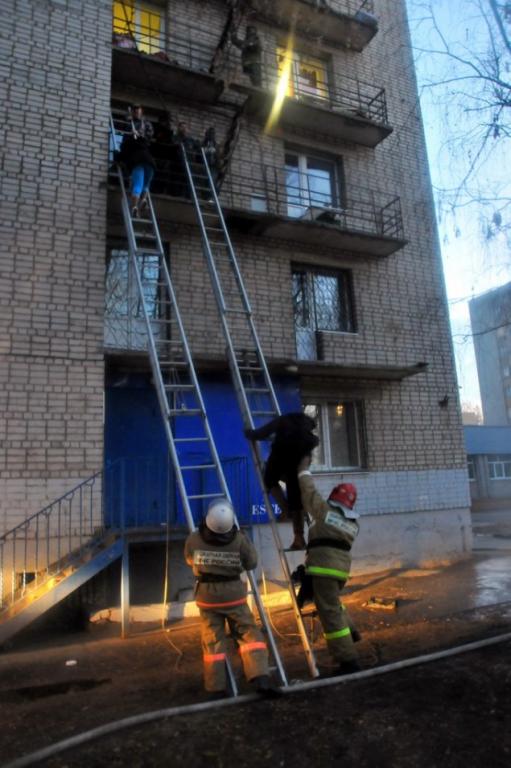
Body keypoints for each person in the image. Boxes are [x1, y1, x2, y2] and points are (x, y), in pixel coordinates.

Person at [184, 498, 281, 698]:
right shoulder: (239, 540)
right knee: (249, 635)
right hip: (234, 597)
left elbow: (189, 559)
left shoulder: (194, 539)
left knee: (213, 643)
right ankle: (260, 677)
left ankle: (216, 687)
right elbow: (252, 562)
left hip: (207, 598)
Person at [296, 455, 361, 675]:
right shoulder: (353, 523)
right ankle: (351, 631)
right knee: (332, 602)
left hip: (323, 568)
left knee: (329, 612)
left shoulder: (325, 512)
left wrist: (303, 470)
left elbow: (309, 494)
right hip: (340, 571)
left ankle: (347, 659)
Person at [244, 412, 319, 550]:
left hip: (280, 459)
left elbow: (263, 432)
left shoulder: (283, 421)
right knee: (296, 501)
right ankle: (298, 537)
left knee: (269, 480)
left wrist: (250, 434)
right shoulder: (307, 433)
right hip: (297, 463)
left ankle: (286, 510)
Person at [119, 105, 156, 217]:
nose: (136, 113)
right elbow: (148, 137)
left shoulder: (131, 142)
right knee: (145, 185)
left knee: (137, 185)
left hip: (137, 163)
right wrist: (128, 120)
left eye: (137, 111)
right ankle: (143, 200)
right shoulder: (143, 143)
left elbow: (124, 146)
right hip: (150, 163)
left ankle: (134, 206)